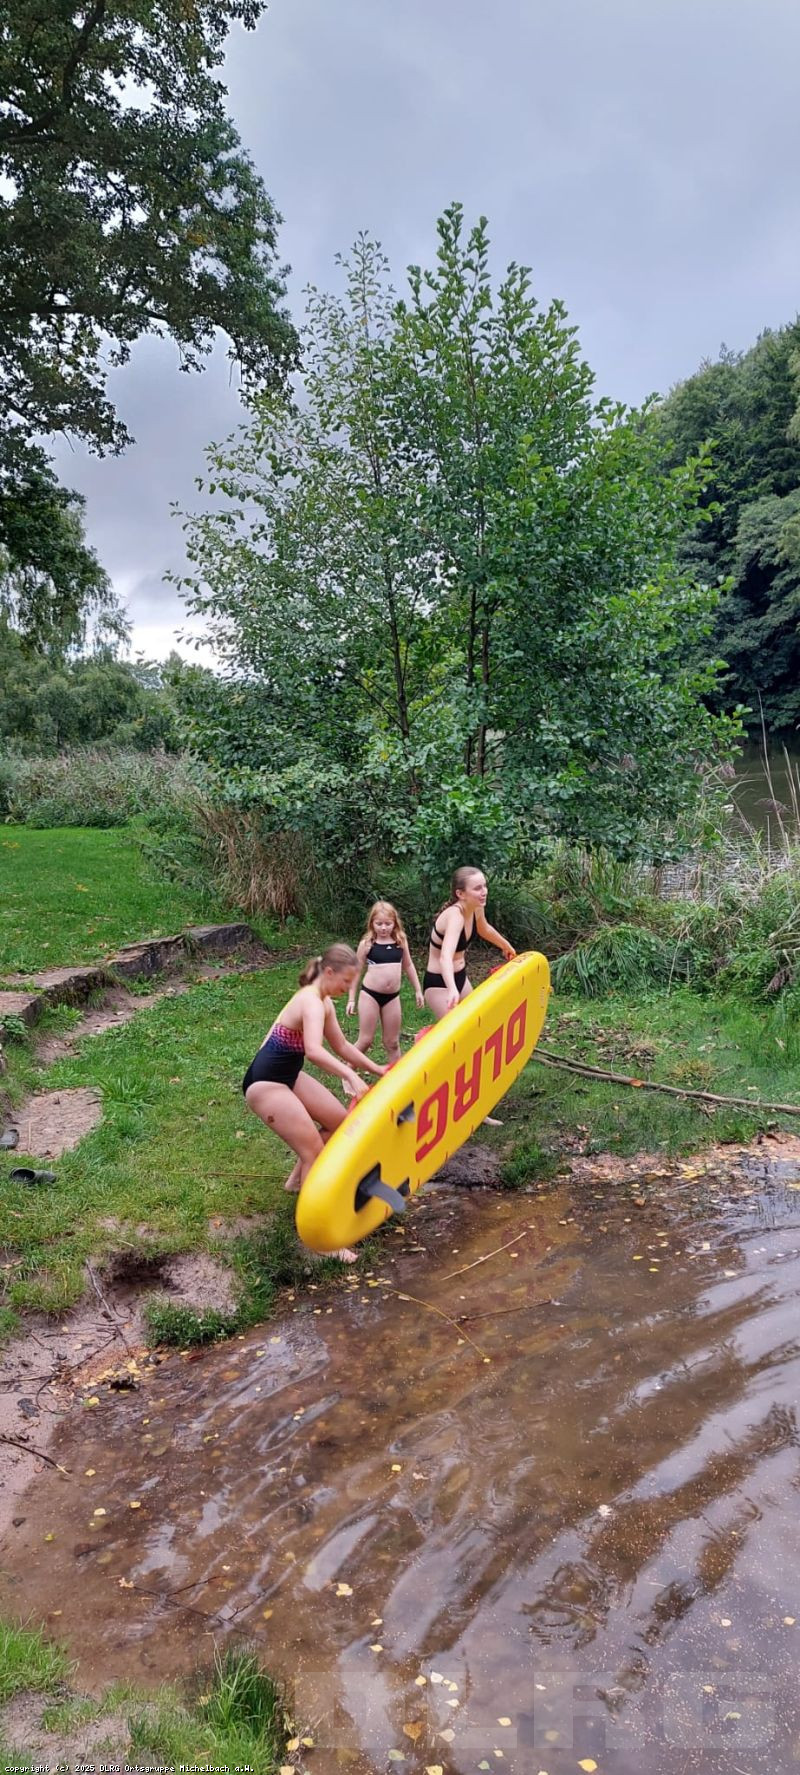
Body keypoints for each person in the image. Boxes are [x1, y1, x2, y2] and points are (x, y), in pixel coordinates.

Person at [243, 944, 385, 1263]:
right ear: (329, 972)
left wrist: (377, 1069)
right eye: (346, 981)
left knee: (340, 1124)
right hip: (266, 1083)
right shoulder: (310, 1000)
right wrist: (350, 1076)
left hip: (288, 1075)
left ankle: (296, 1183)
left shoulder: (324, 1002)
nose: (348, 988)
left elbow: (342, 1045)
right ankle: (316, 1241)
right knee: (314, 1153)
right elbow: (314, 1051)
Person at [423, 866, 516, 1017]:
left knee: (477, 1024)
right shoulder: (455, 917)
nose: (484, 891)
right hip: (440, 983)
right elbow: (445, 957)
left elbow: (484, 929)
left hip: (461, 976)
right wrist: (452, 989)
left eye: (484, 886)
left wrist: (506, 946)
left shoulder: (476, 908)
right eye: (477, 888)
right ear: (460, 894)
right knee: (455, 1029)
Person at [346, 900, 424, 1064]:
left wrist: (418, 990)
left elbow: (408, 965)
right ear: (372, 923)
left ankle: (397, 1075)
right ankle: (347, 1071)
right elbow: (356, 972)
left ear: (394, 923)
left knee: (392, 1042)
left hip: (392, 997)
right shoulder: (367, 944)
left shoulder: (400, 942)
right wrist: (351, 999)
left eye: (387, 924)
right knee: (365, 1040)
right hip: (370, 995)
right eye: (379, 924)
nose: (383, 928)